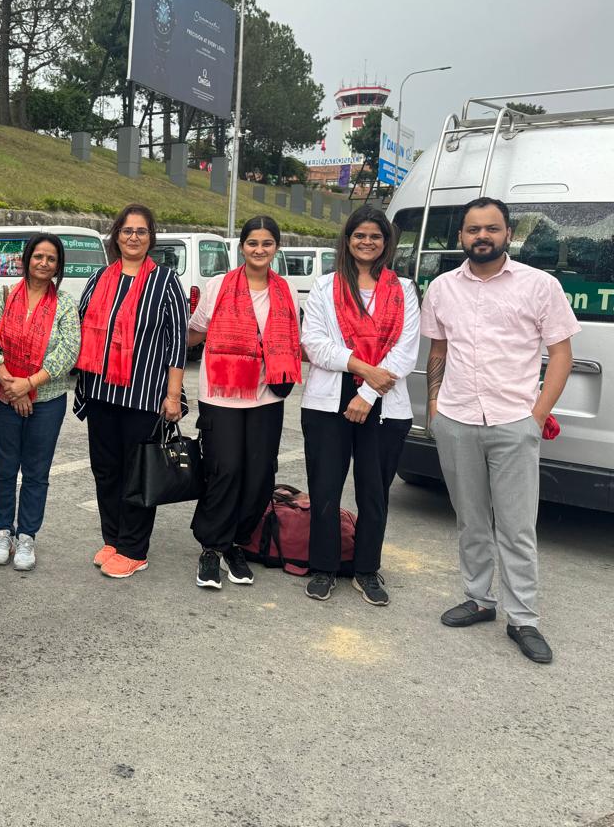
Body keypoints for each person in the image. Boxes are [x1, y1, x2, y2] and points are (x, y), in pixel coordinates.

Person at [423, 197, 578, 664]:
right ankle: (478, 599)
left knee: (516, 526)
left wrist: (536, 416)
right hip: (457, 419)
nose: (482, 237)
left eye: (491, 228)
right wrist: (434, 406)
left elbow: (562, 355)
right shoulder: (443, 288)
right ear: (460, 237)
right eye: (473, 230)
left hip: (514, 423)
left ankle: (523, 618)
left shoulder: (540, 286)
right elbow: (438, 351)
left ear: (509, 233)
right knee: (470, 518)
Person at [300, 208, 419, 605]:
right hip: (327, 404)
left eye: (376, 236)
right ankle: (323, 567)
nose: (367, 242)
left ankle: (367, 569)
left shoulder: (404, 289)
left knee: (374, 493)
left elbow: (406, 353)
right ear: (347, 239)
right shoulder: (325, 286)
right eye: (359, 235)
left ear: (387, 242)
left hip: (384, 408)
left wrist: (366, 394)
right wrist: (363, 367)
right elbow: (314, 343)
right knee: (325, 490)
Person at [188, 215, 301, 592]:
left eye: (267, 243)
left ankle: (237, 543)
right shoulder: (218, 285)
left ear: (276, 248)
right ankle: (211, 547)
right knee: (225, 469)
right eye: (253, 242)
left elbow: (293, 343)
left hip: (268, 395)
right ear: (242, 246)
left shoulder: (285, 291)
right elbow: (195, 331)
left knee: (258, 474)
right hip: (221, 394)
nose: (259, 250)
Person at [75, 204, 188, 579]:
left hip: (143, 396)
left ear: (151, 238)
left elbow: (176, 343)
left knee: (137, 474)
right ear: (116, 236)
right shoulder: (99, 278)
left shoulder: (166, 282)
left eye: (141, 231)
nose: (133, 237)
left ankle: (134, 548)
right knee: (105, 469)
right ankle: (113, 538)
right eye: (127, 231)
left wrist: (173, 396)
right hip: (100, 393)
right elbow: (82, 326)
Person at [0, 233, 81, 571]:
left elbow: (68, 350)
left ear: (58, 266)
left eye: (51, 259)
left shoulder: (65, 304)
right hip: (2, 396)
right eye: (38, 256)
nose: (44, 263)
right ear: (27, 259)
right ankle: (2, 532)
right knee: (4, 469)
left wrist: (29, 384)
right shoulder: (4, 296)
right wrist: (9, 383)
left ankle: (27, 536)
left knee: (36, 472)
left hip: (47, 400)